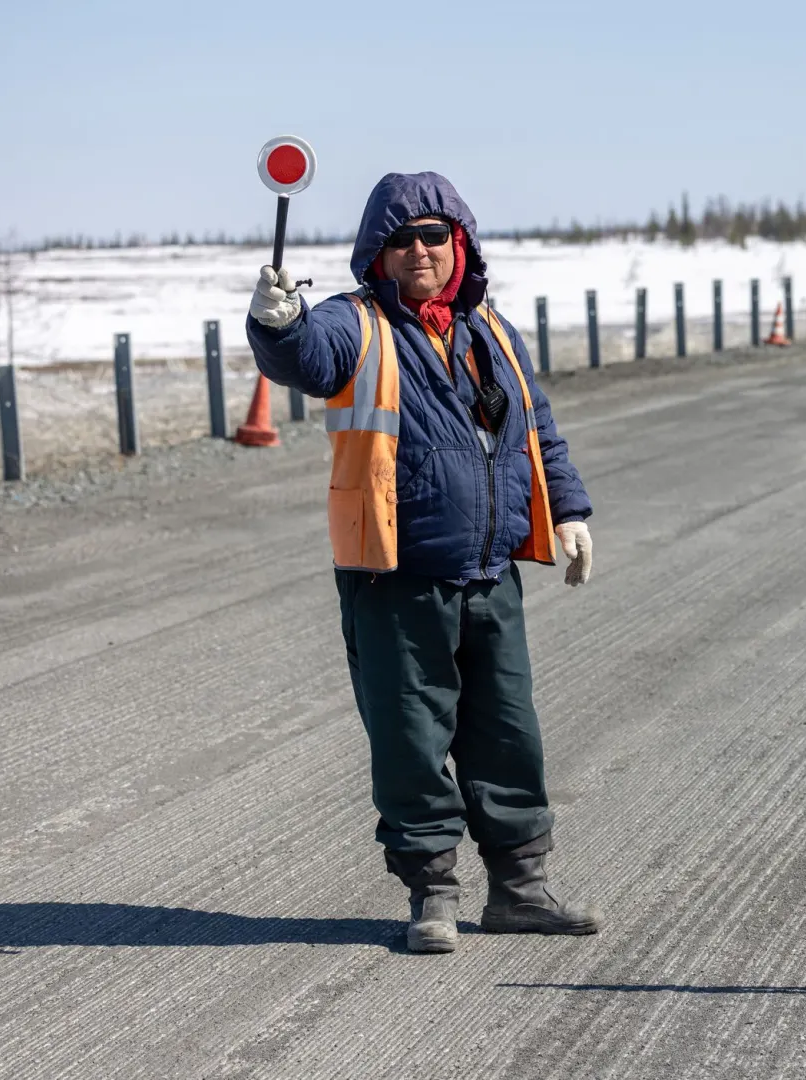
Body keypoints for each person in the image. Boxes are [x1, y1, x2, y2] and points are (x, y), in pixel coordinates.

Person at [246, 171, 599, 954]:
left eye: (434, 236)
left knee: (509, 735)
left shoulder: (492, 332)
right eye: (401, 239)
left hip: (487, 575)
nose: (419, 251)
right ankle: (431, 895)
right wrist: (276, 323)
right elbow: (305, 353)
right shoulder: (358, 324)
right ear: (378, 251)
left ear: (460, 243)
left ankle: (519, 890)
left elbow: (539, 427)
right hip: (395, 580)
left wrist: (569, 512)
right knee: (411, 741)